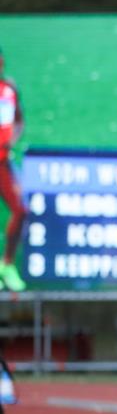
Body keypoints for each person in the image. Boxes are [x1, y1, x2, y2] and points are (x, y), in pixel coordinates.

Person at [0, 46, 27, 292]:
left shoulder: (9, 89)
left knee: (20, 209)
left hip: (3, 161)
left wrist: (12, 139)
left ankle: (6, 265)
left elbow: (19, 121)